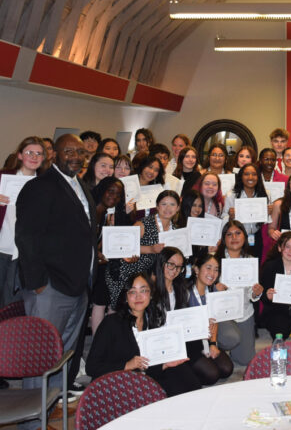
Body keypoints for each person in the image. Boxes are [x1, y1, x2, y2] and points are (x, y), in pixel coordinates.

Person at [16, 133, 96, 397]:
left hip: (77, 286)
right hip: (50, 288)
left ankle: (48, 411)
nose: (75, 157)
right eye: (68, 152)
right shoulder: (40, 186)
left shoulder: (80, 185)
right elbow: (27, 237)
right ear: (55, 155)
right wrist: (38, 284)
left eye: (80, 152)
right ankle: (30, 421)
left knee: (61, 357)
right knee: (41, 356)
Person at [86, 273, 200, 396]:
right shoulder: (111, 323)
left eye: (144, 291)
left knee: (187, 378)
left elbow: (148, 366)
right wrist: (127, 365)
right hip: (116, 382)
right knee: (166, 390)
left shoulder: (153, 320)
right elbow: (91, 367)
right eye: (132, 292)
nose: (138, 297)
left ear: (151, 295)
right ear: (126, 297)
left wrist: (165, 364)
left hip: (143, 376)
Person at [0, 136, 46, 308]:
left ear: (43, 158)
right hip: (2, 247)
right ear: (20, 155)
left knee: (14, 304)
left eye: (38, 154)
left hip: (27, 253)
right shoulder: (3, 177)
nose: (34, 157)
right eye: (29, 152)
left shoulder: (46, 184)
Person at [212, 221, 264, 366]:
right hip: (222, 315)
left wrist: (255, 293)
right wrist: (216, 289)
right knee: (231, 338)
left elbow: (250, 295)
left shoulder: (251, 261)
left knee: (246, 359)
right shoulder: (215, 261)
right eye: (229, 234)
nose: (234, 237)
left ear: (245, 236)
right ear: (223, 239)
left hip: (244, 313)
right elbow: (203, 290)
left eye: (238, 233)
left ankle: (233, 343)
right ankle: (219, 343)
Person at [90, 177, 133, 335]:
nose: (113, 197)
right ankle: (96, 342)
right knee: (99, 301)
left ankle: (109, 342)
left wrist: (130, 254)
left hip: (114, 265)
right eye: (111, 191)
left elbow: (127, 240)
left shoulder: (120, 213)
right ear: (102, 190)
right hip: (92, 266)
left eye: (118, 194)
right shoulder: (89, 210)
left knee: (115, 303)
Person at [185, 253, 234, 384]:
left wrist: (213, 344)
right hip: (191, 343)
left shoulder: (213, 291)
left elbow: (215, 320)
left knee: (227, 369)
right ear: (196, 269)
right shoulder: (184, 293)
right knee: (212, 375)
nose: (212, 273)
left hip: (207, 339)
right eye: (208, 268)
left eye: (216, 269)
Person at [224, 163, 268, 260]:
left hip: (256, 237)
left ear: (258, 177)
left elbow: (267, 221)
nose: (250, 177)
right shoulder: (231, 195)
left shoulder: (264, 194)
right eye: (246, 174)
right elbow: (223, 218)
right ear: (241, 177)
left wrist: (269, 212)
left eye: (254, 174)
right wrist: (230, 217)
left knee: (254, 267)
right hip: (237, 238)